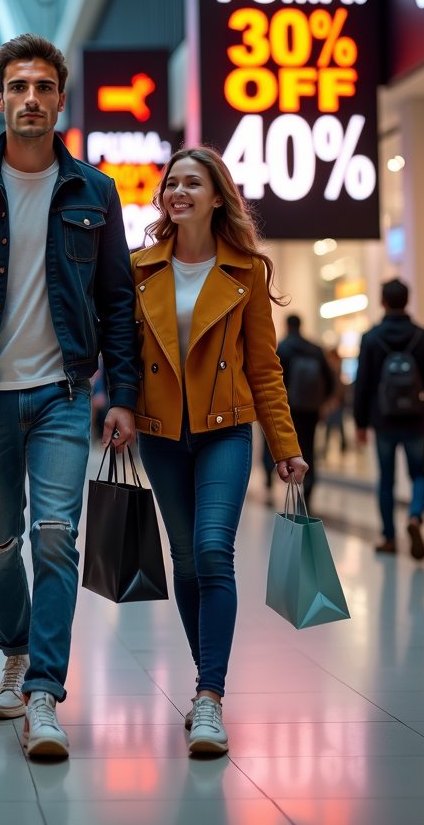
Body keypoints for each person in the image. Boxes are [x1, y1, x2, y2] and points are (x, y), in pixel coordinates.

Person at [0, 33, 138, 760]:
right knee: (0, 542)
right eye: (19, 86)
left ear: (60, 100)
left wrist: (123, 397)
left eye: (44, 87)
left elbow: (117, 303)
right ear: (0, 96)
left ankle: (45, 691)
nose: (31, 99)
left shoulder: (95, 193)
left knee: (56, 537)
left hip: (65, 394)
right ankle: (14, 650)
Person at [131, 148, 305, 757]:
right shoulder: (140, 268)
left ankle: (209, 696)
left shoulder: (246, 271)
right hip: (159, 431)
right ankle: (206, 681)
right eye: (171, 183)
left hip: (226, 428)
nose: (178, 192)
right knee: (184, 560)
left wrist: (285, 444)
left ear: (215, 196)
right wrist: (122, 411)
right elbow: (124, 358)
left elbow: (264, 365)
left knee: (212, 550)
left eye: (192, 183)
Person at [353, 278, 424, 560]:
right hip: (417, 419)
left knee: (386, 480)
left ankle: (389, 537)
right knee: (419, 474)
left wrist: (360, 422)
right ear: (407, 300)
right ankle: (415, 516)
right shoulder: (422, 336)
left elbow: (363, 384)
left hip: (384, 420)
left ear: (383, 301)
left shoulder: (371, 338)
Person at [277, 313, 335, 513]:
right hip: (311, 410)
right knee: (309, 450)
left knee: (290, 449)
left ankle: (288, 487)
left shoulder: (282, 348)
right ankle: (308, 491)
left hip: (288, 410)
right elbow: (330, 380)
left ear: (287, 325)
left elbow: (274, 382)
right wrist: (322, 403)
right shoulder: (315, 349)